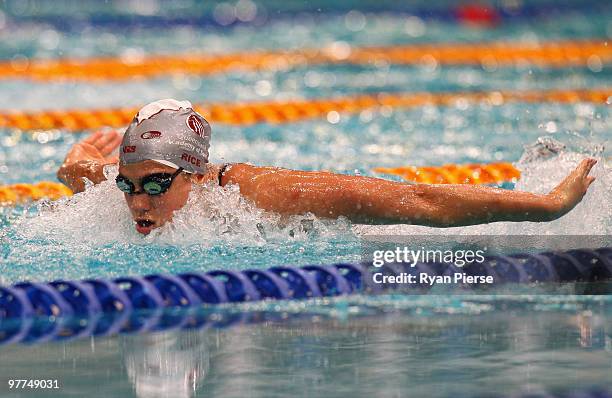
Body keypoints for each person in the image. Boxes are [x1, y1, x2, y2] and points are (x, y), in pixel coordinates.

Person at [57, 99, 597, 235]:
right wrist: (77, 161)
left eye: (154, 184)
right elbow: (85, 175)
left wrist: (548, 205)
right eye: (128, 184)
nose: (136, 203)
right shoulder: (124, 189)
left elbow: (420, 201)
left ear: (196, 175)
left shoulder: (261, 194)